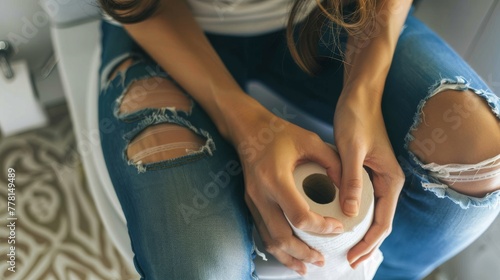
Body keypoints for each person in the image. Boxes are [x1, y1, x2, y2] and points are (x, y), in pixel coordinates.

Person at [96, 0, 500, 279]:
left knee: (481, 158)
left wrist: (364, 92)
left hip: (324, 14)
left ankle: (380, 273)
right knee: (200, 268)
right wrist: (245, 124)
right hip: (164, 24)